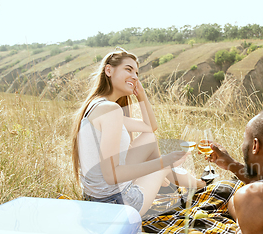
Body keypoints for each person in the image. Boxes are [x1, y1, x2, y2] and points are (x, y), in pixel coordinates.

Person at [71, 48, 206, 216]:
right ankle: (191, 184)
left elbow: (149, 127)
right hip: (116, 205)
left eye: (136, 72)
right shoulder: (110, 110)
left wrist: (141, 94)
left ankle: (190, 183)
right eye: (128, 69)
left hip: (96, 199)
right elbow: (111, 176)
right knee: (163, 165)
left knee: (149, 138)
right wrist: (164, 162)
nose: (135, 76)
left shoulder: (99, 106)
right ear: (108, 70)